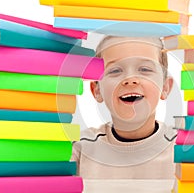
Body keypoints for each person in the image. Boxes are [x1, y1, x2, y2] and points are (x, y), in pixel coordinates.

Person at [71, 36, 177, 192]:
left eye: (145, 69)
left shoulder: (181, 151)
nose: (130, 79)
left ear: (165, 87)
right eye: (115, 70)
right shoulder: (79, 149)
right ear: (97, 90)